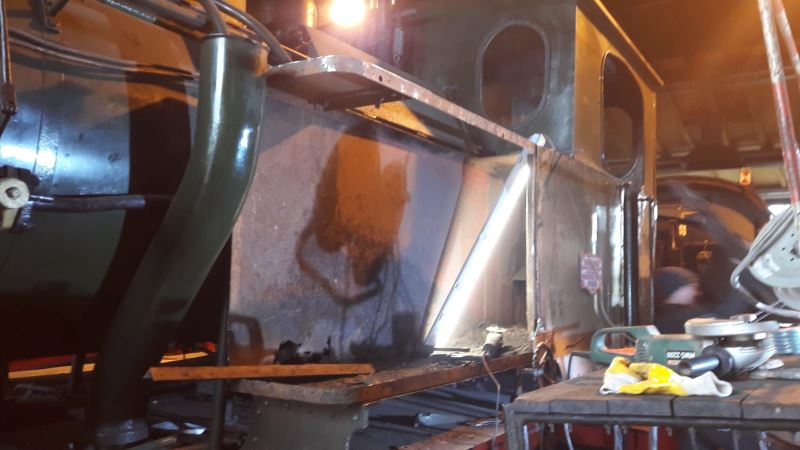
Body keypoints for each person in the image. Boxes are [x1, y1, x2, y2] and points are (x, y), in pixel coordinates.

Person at [653, 266, 719, 334]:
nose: (697, 293)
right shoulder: (691, 316)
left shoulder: (655, 318)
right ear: (675, 289)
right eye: (693, 287)